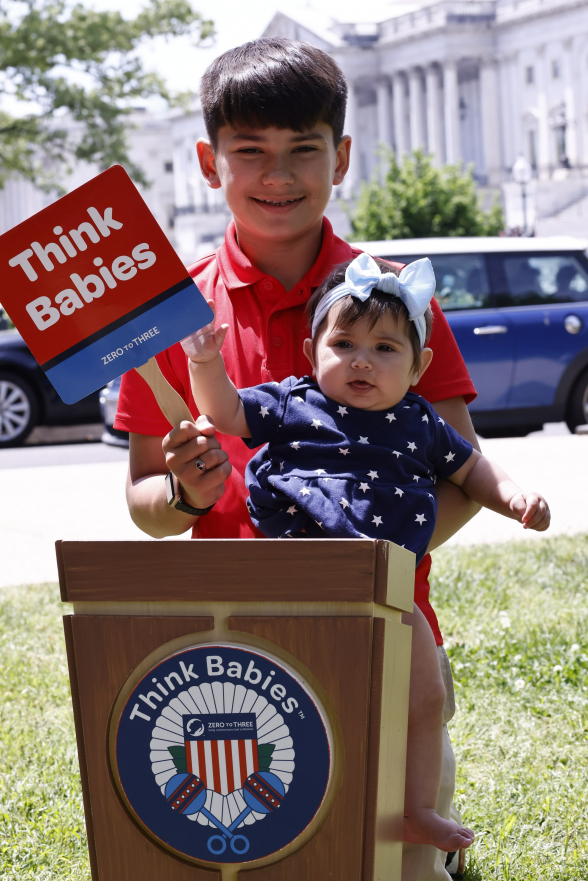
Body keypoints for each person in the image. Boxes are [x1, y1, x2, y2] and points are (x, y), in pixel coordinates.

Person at [115, 37, 488, 878]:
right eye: (250, 150)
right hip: (236, 646)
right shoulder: (173, 314)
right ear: (212, 163)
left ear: (342, 156)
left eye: (302, 149)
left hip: (385, 635)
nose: (276, 173)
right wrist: (181, 494)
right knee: (267, 854)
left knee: (391, 856)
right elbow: (141, 503)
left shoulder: (396, 297)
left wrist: (376, 570)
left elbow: (460, 469)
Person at [179, 251, 550, 852]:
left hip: (387, 586)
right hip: (298, 584)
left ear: (419, 364)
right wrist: (205, 361)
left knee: (423, 700)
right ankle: (291, 822)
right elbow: (224, 411)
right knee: (303, 710)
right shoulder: (293, 403)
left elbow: (473, 468)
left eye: (385, 348)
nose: (361, 360)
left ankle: (417, 808)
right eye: (344, 343)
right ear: (311, 355)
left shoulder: (419, 421)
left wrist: (516, 498)